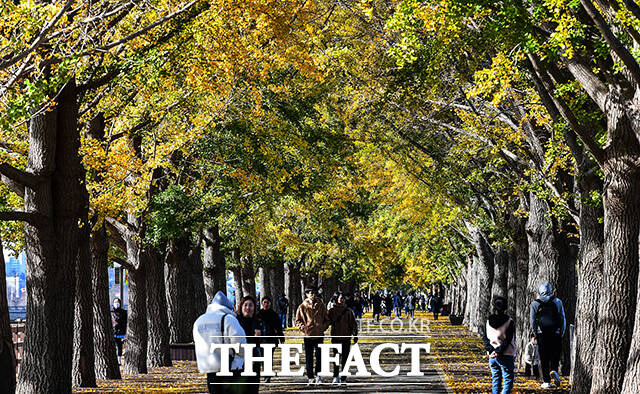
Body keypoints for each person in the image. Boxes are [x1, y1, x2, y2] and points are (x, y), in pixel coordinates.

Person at [193, 291, 248, 394]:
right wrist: (240, 358)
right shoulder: (228, 319)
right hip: (228, 367)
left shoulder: (199, 321)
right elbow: (240, 342)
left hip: (209, 368)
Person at [530, 282, 565, 389]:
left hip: (542, 334)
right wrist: (561, 332)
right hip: (556, 333)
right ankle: (554, 369)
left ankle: (546, 381)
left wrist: (535, 332)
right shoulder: (558, 301)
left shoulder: (535, 303)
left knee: (544, 357)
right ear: (550, 290)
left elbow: (532, 321)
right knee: (555, 354)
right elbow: (562, 318)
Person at [295, 287, 330, 385]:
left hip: (319, 334)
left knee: (319, 356)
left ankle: (318, 375)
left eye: (313, 293)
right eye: (310, 293)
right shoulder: (302, 306)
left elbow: (327, 319)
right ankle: (310, 377)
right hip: (308, 335)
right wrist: (303, 328)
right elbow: (297, 320)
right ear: (306, 294)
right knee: (309, 357)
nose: (312, 295)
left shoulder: (321, 305)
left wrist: (323, 327)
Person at [483, 296, 516, 394]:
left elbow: (485, 337)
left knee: (496, 379)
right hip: (506, 354)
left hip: (492, 356)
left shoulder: (488, 321)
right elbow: (508, 339)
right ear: (505, 307)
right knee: (508, 380)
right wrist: (498, 351)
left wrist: (491, 350)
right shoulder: (509, 321)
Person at [328, 292, 358, 384]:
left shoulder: (348, 311)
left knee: (345, 358)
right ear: (336, 299)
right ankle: (336, 376)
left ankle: (343, 377)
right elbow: (326, 321)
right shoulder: (332, 311)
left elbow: (353, 324)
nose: (342, 300)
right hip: (336, 337)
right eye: (340, 298)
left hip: (346, 338)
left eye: (343, 298)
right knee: (336, 357)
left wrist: (355, 335)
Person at [236, 296, 263, 394]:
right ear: (241, 307)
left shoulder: (258, 321)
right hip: (239, 358)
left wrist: (260, 337)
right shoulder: (235, 321)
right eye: (245, 305)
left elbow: (264, 340)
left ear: (254, 308)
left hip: (254, 357)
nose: (248, 308)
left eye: (250, 305)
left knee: (253, 386)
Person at [257, 296, 285, 383]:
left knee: (269, 357)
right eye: (264, 302)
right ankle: (265, 373)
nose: (266, 304)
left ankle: (267, 376)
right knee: (262, 357)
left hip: (271, 339)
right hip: (261, 339)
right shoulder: (258, 314)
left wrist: (281, 338)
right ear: (262, 304)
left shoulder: (274, 314)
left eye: (267, 302)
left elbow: (278, 327)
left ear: (270, 304)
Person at [111, 298, 127, 365]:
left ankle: (119, 360)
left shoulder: (123, 312)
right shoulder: (111, 312)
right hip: (113, 332)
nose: (116, 303)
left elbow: (125, 322)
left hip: (121, 332)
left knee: (119, 346)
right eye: (115, 302)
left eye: (118, 302)